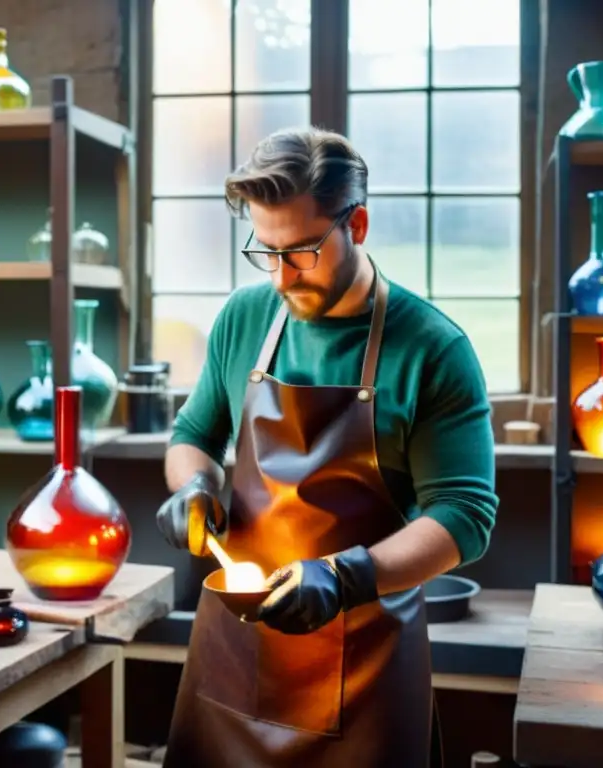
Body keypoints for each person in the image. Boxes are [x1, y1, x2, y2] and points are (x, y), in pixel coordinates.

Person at [155, 126, 499, 768]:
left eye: (304, 251)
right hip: (236, 646)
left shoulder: (433, 348)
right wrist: (194, 487)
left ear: (358, 224)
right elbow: (194, 436)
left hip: (364, 662)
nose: (282, 276)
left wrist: (344, 577)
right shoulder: (244, 317)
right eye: (266, 250)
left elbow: (464, 517)